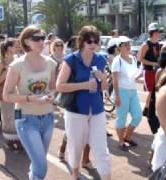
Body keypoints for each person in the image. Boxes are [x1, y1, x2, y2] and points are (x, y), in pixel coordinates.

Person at [56, 25, 111, 180]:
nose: (93, 44)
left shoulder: (101, 59)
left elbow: (105, 88)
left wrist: (103, 78)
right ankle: (75, 174)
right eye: (89, 41)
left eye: (96, 41)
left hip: (97, 110)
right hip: (76, 110)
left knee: (101, 148)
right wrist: (84, 85)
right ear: (82, 42)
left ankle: (107, 176)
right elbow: (59, 86)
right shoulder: (71, 60)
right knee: (75, 146)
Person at [3, 26, 57, 180]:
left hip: (47, 118)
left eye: (42, 37)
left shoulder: (51, 63)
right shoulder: (17, 65)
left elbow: (53, 87)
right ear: (26, 41)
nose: (41, 41)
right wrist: (30, 98)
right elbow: (6, 95)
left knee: (37, 162)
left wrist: (52, 96)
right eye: (36, 38)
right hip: (27, 119)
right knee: (41, 166)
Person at [111, 36, 142, 150]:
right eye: (125, 45)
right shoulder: (117, 60)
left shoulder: (133, 58)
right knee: (121, 118)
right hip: (122, 92)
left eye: (129, 44)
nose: (128, 46)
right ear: (119, 48)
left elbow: (133, 76)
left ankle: (127, 137)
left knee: (138, 116)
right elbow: (114, 80)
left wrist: (140, 75)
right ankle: (120, 141)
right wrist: (117, 96)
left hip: (133, 91)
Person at [0, 38, 20, 149]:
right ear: (8, 48)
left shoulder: (19, 59)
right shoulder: (0, 63)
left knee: (18, 117)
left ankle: (19, 139)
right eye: (16, 45)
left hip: (18, 95)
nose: (18, 47)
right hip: (6, 96)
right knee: (8, 118)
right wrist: (7, 72)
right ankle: (9, 140)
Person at [137, 22, 161, 117]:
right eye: (157, 32)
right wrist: (153, 63)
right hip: (148, 71)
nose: (159, 34)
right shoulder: (146, 44)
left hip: (156, 71)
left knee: (154, 91)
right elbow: (140, 59)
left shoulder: (158, 44)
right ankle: (146, 110)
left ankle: (148, 109)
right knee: (151, 91)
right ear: (153, 32)